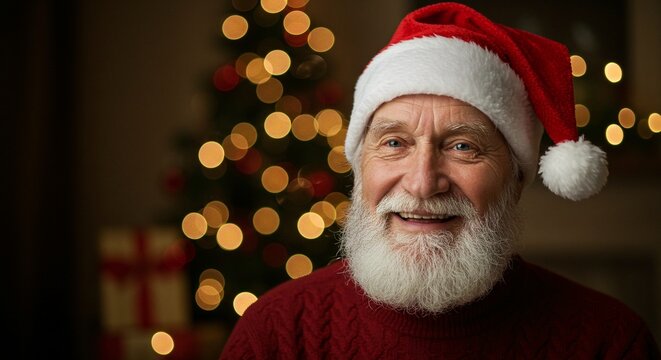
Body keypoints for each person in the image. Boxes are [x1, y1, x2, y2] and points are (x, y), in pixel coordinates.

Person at [220, 2, 660, 359]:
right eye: (394, 143)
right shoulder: (275, 334)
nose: (422, 183)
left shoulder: (608, 340)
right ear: (359, 167)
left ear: (516, 177)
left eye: (463, 146)